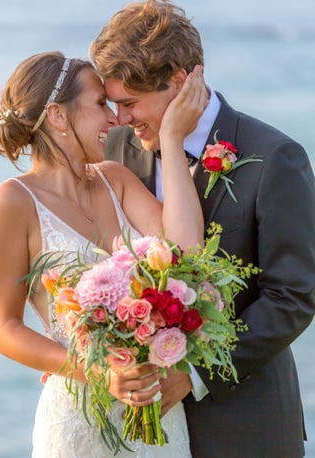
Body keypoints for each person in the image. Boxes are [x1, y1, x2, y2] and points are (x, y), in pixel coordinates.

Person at [90, 1, 315, 457]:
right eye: (114, 104)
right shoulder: (115, 149)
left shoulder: (275, 158)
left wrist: (193, 374)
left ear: (181, 80)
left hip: (244, 427)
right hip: (136, 431)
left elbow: (293, 296)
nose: (121, 119)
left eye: (131, 103)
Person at [0, 50, 208, 457]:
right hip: (78, 417)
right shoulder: (11, 203)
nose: (116, 119)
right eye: (101, 105)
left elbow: (187, 252)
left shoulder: (116, 179)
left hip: (158, 415)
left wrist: (170, 140)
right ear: (58, 116)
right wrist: (99, 372)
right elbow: (4, 329)